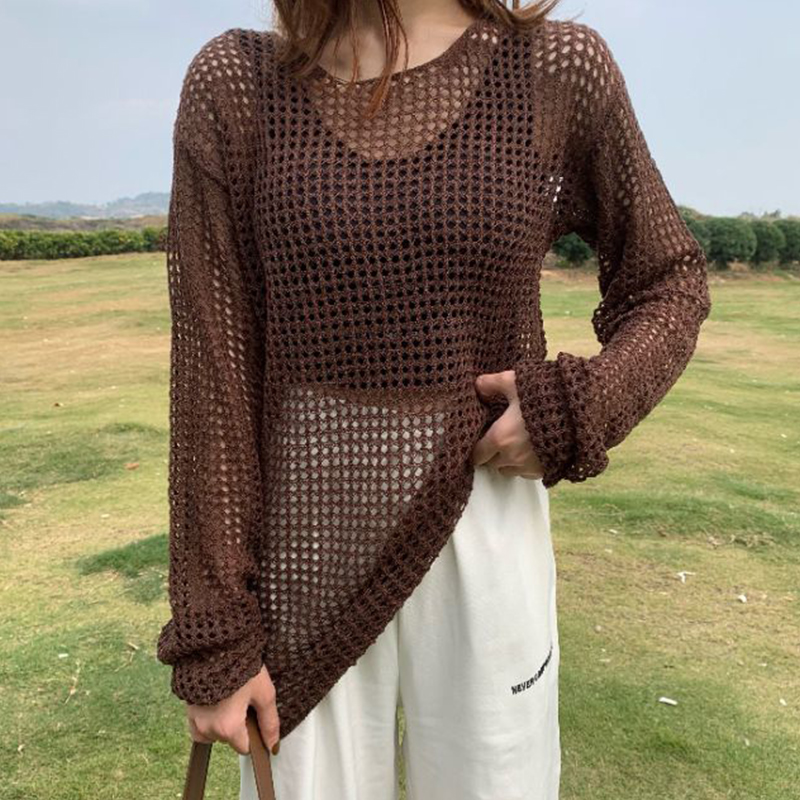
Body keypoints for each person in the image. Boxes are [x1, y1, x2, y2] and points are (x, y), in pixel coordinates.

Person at [155, 1, 712, 798]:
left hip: (481, 523)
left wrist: (575, 408)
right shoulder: (238, 84)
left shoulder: (553, 69)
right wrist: (214, 629)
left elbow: (668, 281)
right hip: (301, 558)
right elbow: (214, 378)